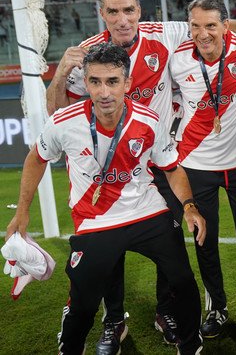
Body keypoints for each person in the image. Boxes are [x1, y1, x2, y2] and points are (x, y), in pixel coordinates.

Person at [44, 0, 236, 353]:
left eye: (128, 9)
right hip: (108, 172)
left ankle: (167, 311)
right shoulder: (87, 54)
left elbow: (215, 24)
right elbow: (54, 112)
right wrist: (61, 72)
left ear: (139, 10)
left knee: (170, 245)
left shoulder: (163, 33)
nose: (122, 19)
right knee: (108, 252)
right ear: (101, 14)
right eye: (112, 11)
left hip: (161, 165)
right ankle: (114, 321)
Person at [5, 43, 206, 355]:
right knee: (84, 301)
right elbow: (36, 157)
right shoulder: (63, 121)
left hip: (147, 212)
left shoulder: (149, 120)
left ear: (126, 84)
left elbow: (172, 167)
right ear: (85, 83)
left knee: (182, 279)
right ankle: (72, 347)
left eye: (112, 81)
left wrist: (189, 206)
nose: (104, 92)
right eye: (95, 82)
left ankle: (190, 345)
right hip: (94, 220)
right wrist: (23, 212)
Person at [169, 0, 236, 345]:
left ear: (226, 26)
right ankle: (217, 308)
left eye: (211, 25)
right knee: (204, 240)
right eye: (196, 25)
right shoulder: (176, 58)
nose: (203, 33)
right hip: (197, 165)